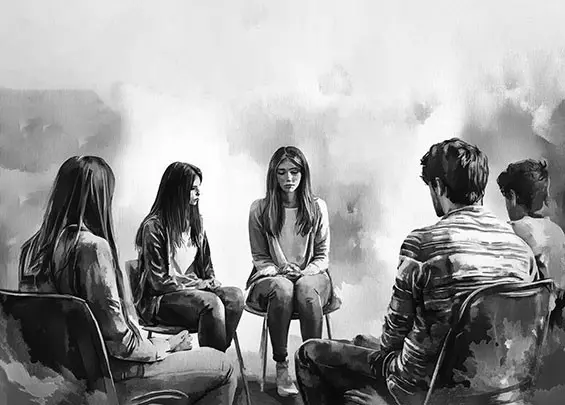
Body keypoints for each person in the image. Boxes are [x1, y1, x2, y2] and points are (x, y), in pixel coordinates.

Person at [294, 138, 539, 405]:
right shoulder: (521, 249)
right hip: (502, 388)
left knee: (309, 354)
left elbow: (392, 339)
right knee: (361, 340)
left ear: (438, 186)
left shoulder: (422, 244)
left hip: (425, 388)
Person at [19, 156, 237, 404]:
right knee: (225, 367)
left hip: (56, 380)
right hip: (110, 379)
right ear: (98, 199)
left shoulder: (30, 250)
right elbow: (121, 344)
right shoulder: (93, 248)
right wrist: (167, 345)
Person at [246, 145, 332, 397]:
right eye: (281, 172)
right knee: (283, 288)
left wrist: (304, 273)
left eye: (294, 172)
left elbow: (322, 256)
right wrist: (279, 271)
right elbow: (260, 257)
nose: (288, 178)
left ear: (303, 174)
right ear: (273, 175)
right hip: (272, 278)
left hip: (312, 275)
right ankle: (282, 366)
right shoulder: (259, 209)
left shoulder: (317, 207)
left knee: (305, 289)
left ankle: (312, 366)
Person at [133, 162, 244, 353]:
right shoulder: (153, 226)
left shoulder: (197, 224)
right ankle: (213, 362)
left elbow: (207, 268)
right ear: (176, 190)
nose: (198, 193)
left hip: (192, 296)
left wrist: (210, 281)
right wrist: (197, 285)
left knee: (235, 297)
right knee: (211, 302)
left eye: (198, 188)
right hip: (160, 300)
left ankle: (217, 355)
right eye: (192, 188)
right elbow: (159, 282)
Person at [497, 159, 565, 327]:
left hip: (532, 324)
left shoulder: (512, 231)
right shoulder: (556, 231)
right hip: (558, 322)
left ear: (512, 197)